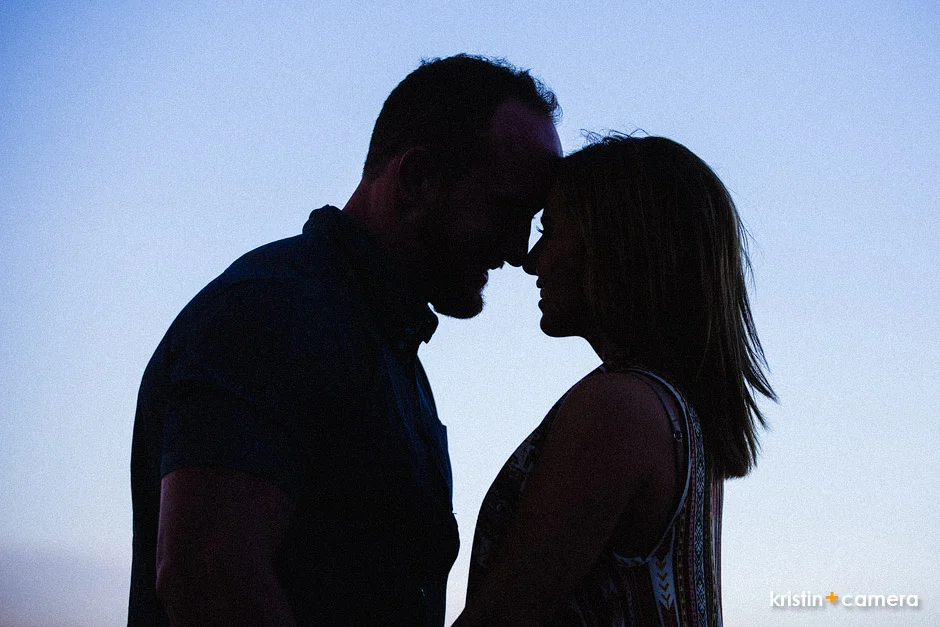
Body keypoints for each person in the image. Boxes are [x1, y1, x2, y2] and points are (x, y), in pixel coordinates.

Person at [128, 54, 562, 627]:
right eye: (505, 211)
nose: (518, 251)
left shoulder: (369, 340)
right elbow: (209, 572)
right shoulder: (279, 309)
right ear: (418, 179)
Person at [455, 134, 776, 626]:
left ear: (614, 242)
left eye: (552, 229)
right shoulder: (674, 414)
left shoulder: (620, 410)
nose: (530, 259)